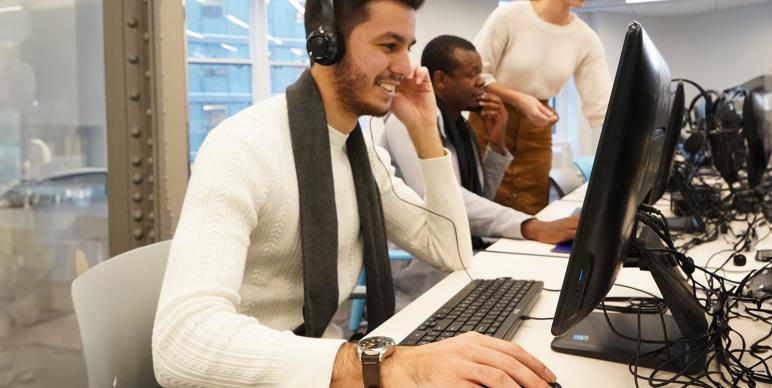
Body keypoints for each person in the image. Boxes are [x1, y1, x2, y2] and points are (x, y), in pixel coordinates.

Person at [152, 1, 557, 387]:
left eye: (407, 48)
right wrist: (385, 366)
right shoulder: (243, 145)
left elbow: (451, 249)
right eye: (388, 45)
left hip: (324, 363)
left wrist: (424, 132)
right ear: (325, 42)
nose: (404, 67)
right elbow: (181, 342)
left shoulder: (363, 158)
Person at [381, 34, 578, 308]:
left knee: (543, 290)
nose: (481, 82)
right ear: (440, 80)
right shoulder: (406, 124)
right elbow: (447, 202)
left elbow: (479, 196)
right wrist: (531, 226)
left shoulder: (460, 125)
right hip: (425, 273)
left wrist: (497, 144)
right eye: (472, 74)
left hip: (466, 252)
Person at [470, 0, 613, 214]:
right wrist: (519, 100)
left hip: (537, 131)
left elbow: (602, 106)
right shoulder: (509, 16)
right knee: (485, 206)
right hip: (490, 121)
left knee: (533, 212)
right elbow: (475, 75)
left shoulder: (586, 38)